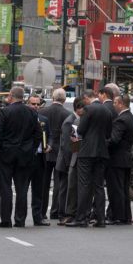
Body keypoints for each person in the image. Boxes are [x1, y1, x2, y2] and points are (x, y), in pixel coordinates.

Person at [0, 87, 42, 228]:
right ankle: (20, 219)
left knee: (5, 188)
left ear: (10, 96)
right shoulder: (32, 113)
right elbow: (38, 133)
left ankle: (6, 219)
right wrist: (32, 148)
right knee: (22, 189)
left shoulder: (4, 112)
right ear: (23, 97)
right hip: (25, 155)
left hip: (6, 154)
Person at [66, 91, 113, 227]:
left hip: (87, 151)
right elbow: (108, 133)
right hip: (102, 152)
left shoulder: (88, 109)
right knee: (99, 186)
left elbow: (80, 129)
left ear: (87, 98)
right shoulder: (107, 111)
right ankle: (100, 219)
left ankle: (81, 218)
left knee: (84, 184)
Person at [38, 88, 71, 220]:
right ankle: (55, 211)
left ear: (52, 98)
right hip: (60, 152)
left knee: (43, 183)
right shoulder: (67, 114)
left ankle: (41, 211)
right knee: (59, 183)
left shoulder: (42, 111)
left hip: (45, 151)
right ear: (64, 99)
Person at [105, 93, 133, 225]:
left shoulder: (121, 119)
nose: (113, 105)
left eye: (115, 103)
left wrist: (102, 142)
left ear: (120, 104)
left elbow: (114, 140)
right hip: (126, 159)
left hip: (117, 159)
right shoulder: (130, 117)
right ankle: (125, 216)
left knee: (116, 188)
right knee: (123, 188)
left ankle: (117, 216)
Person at [56, 96, 86, 225]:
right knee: (65, 189)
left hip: (69, 160)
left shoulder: (75, 119)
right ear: (78, 109)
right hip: (66, 161)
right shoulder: (70, 121)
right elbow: (67, 146)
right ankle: (62, 213)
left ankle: (64, 212)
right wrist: (70, 164)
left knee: (67, 188)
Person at [25, 94, 52, 226]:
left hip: (40, 157)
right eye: (32, 104)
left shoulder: (44, 119)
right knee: (23, 189)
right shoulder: (22, 119)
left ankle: (38, 217)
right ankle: (20, 217)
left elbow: (50, 135)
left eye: (37, 104)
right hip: (26, 159)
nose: (35, 106)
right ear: (27, 104)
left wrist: (50, 145)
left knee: (38, 190)